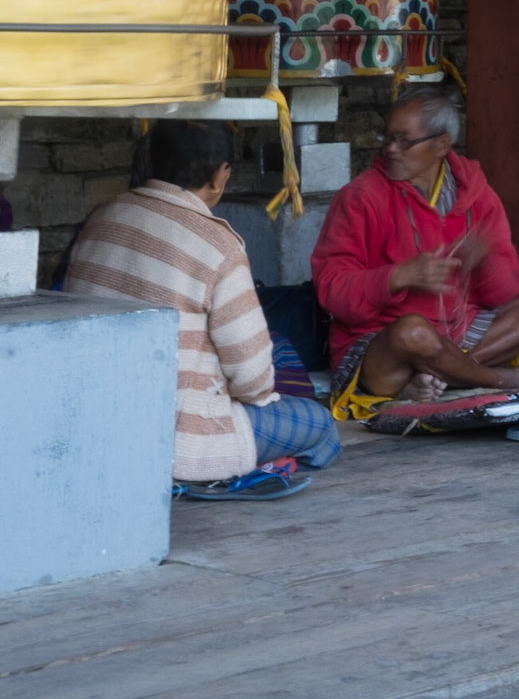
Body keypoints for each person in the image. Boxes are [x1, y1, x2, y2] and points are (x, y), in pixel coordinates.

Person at [66, 119, 341, 484]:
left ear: (152, 158)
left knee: (277, 347)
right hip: (178, 439)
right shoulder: (217, 245)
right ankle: (227, 478)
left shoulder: (102, 218)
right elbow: (253, 382)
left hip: (97, 420)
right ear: (219, 175)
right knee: (320, 425)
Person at [311, 83, 519, 417]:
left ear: (441, 144)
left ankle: (442, 377)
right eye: (387, 137)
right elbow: (331, 291)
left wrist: (485, 261)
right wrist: (397, 277)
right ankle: (504, 379)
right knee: (413, 330)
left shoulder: (477, 194)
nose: (390, 149)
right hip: (387, 347)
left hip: (462, 337)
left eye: (404, 140)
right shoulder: (360, 197)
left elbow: (503, 294)